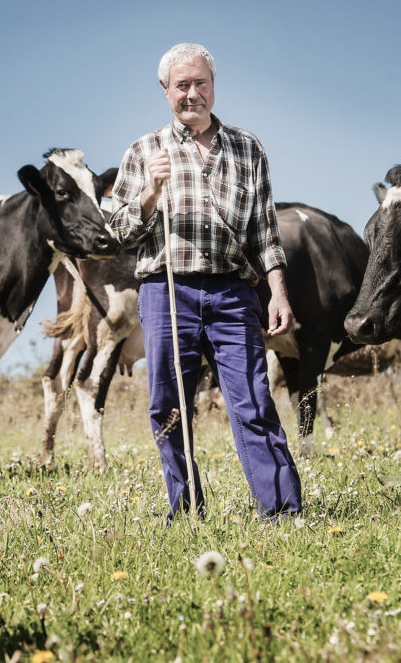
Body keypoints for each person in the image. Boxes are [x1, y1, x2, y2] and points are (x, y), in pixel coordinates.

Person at [109, 43, 302, 522]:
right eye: (181, 85)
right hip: (167, 291)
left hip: (234, 291)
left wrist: (277, 291)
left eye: (200, 83)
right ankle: (187, 508)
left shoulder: (247, 147)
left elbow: (265, 230)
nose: (191, 93)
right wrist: (151, 194)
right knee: (167, 405)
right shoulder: (142, 151)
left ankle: (281, 510)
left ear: (213, 86)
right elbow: (118, 230)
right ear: (165, 90)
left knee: (254, 401)